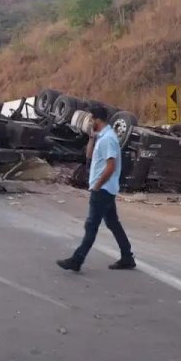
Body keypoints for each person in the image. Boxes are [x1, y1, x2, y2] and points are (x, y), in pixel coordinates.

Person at [57, 106, 135, 272]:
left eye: (91, 119)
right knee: (113, 223)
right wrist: (92, 138)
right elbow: (90, 157)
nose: (89, 122)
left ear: (97, 119)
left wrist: (98, 185)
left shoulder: (108, 139)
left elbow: (111, 166)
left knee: (91, 225)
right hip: (104, 188)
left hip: (103, 190)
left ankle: (77, 260)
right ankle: (127, 256)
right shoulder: (101, 137)